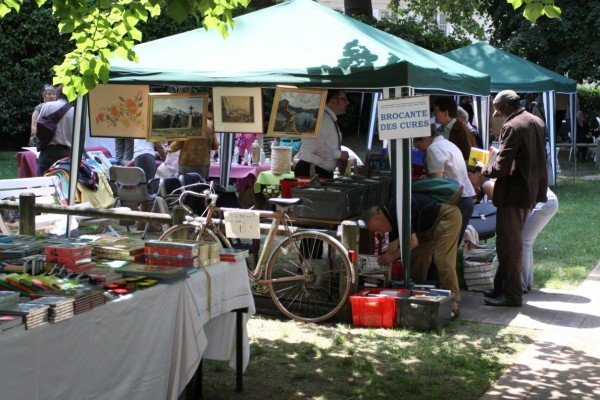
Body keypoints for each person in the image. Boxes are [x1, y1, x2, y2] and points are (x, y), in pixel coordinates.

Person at [480, 90, 548, 307]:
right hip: (528, 191)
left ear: (507, 107)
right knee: (509, 243)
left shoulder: (512, 126)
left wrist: (484, 167)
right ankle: (501, 288)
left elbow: (501, 167)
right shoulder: (535, 120)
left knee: (510, 245)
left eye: (498, 109)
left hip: (512, 194)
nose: (496, 114)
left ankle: (512, 295)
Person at [362, 194, 463, 319]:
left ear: (377, 217)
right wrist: (385, 267)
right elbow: (392, 247)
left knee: (442, 259)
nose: (378, 233)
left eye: (376, 229)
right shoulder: (390, 219)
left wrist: (391, 257)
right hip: (428, 227)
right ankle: (415, 301)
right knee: (417, 260)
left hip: (446, 217)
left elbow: (412, 242)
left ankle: (453, 303)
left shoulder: (397, 208)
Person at [469, 169, 558, 293]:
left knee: (523, 242)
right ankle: (525, 283)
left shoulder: (486, 184)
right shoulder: (491, 180)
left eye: (469, 175)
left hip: (543, 203)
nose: (468, 180)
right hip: (547, 200)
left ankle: (521, 284)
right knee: (525, 242)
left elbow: (503, 207)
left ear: (479, 173)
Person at [412, 127, 475, 244]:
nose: (418, 150)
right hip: (466, 198)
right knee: (452, 249)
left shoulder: (433, 149)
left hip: (455, 201)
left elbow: (437, 183)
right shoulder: (448, 144)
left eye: (417, 145)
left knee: (444, 250)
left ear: (426, 137)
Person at [295, 89, 349, 178]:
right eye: (344, 99)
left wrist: (339, 157)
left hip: (316, 170)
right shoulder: (323, 118)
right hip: (313, 171)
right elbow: (315, 145)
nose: (347, 103)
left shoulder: (326, 117)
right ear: (333, 101)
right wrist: (339, 155)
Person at [167, 100, 219, 178]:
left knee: (185, 186)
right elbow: (215, 146)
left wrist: (169, 148)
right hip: (203, 163)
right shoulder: (210, 124)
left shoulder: (187, 122)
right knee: (200, 187)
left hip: (186, 161)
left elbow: (178, 143)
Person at [37, 85, 74, 176]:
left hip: (48, 151)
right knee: (64, 184)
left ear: (58, 94)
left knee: (42, 183)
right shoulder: (75, 111)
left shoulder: (48, 106)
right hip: (66, 153)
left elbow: (39, 125)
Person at [433, 97, 477, 161]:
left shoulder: (462, 131)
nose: (434, 114)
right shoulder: (439, 129)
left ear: (446, 113)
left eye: (436, 112)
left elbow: (471, 158)